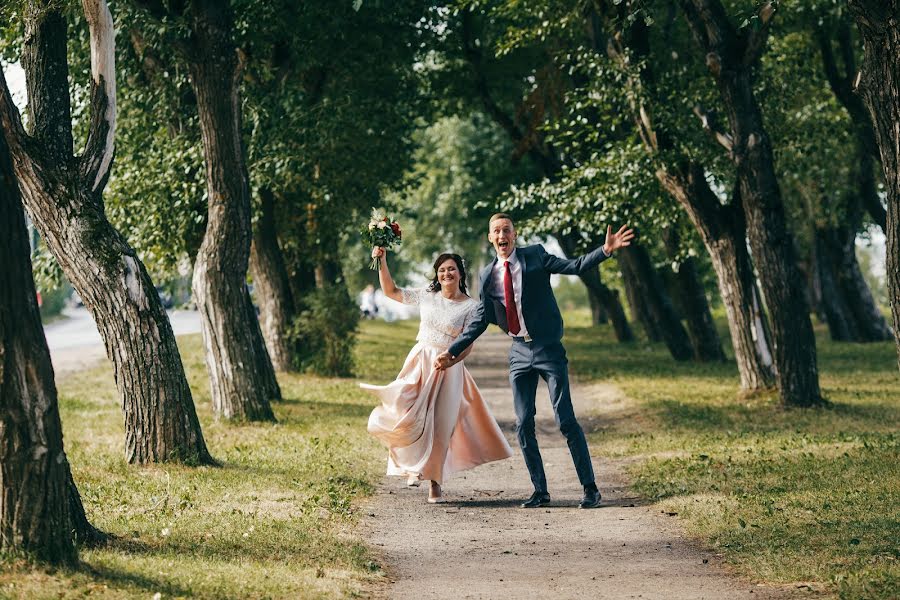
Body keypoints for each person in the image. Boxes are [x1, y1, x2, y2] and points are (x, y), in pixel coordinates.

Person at [435, 213, 634, 509]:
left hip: (548, 349)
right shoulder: (488, 274)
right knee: (523, 423)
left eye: (506, 230)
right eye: (496, 231)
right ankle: (540, 491)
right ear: (491, 238)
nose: (502, 235)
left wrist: (604, 251)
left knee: (565, 419)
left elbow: (574, 266)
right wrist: (453, 351)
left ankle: (590, 489)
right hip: (518, 352)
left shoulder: (536, 256)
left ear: (514, 235)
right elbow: (480, 321)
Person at [361, 247, 513, 503]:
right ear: (437, 275)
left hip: (449, 369)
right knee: (408, 413)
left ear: (460, 273)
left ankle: (435, 483)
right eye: (442, 270)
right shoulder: (427, 295)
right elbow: (391, 292)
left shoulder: (471, 307)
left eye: (451, 269)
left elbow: (468, 344)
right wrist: (382, 261)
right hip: (420, 362)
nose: (446, 274)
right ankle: (411, 466)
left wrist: (451, 359)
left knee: (441, 426)